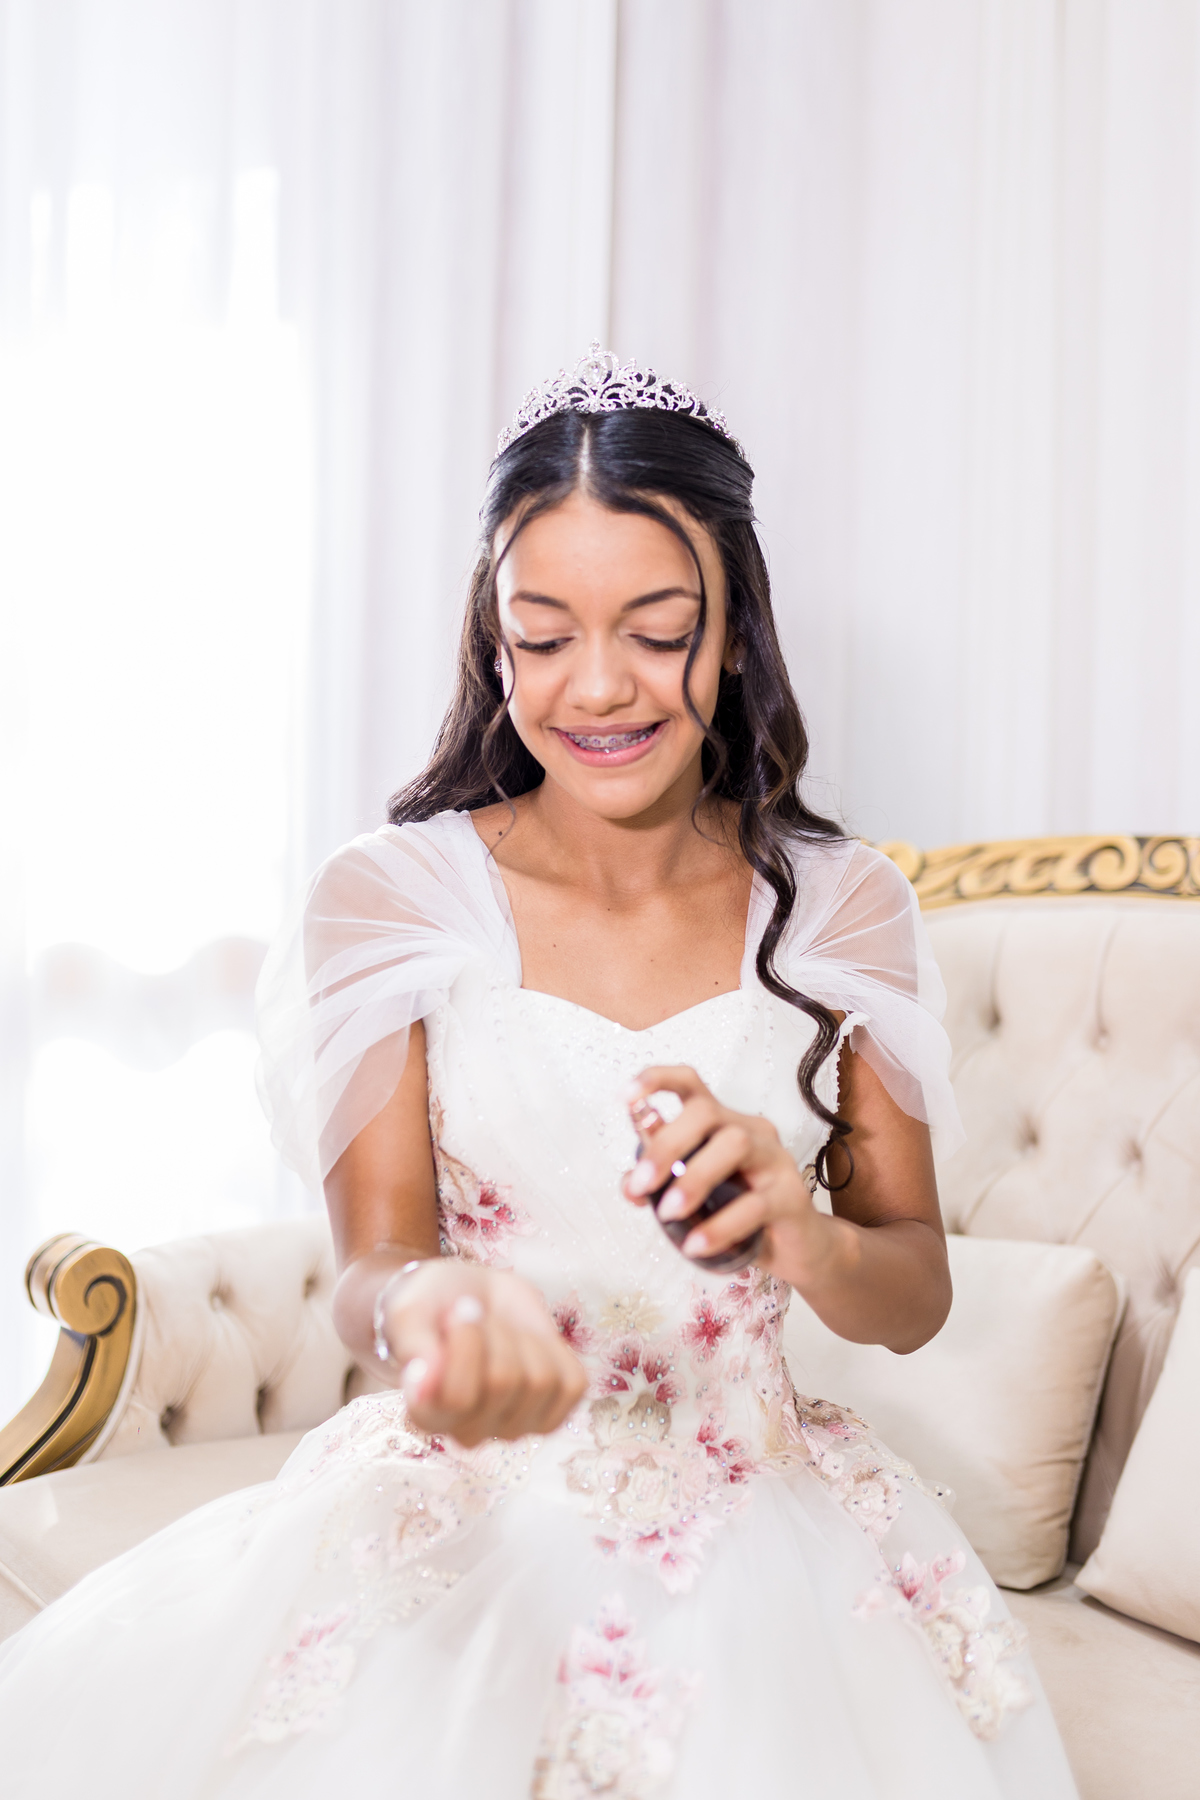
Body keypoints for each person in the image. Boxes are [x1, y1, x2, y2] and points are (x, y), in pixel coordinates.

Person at [0, 347, 1079, 1799]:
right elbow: (373, 1261)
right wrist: (430, 1306)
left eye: (658, 629)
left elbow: (915, 1288)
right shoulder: (393, 896)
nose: (600, 686)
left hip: (763, 1516)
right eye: (545, 635)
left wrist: (805, 1235)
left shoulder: (846, 908)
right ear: (493, 645)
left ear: (736, 635)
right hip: (471, 1501)